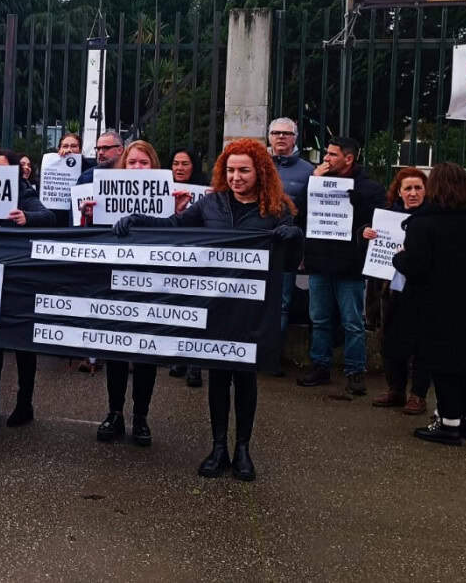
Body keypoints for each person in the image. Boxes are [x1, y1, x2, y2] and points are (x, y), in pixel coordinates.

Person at [115, 138, 302, 480]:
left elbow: (290, 263)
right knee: (218, 376)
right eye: (230, 171)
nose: (236, 177)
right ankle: (218, 448)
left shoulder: (277, 210)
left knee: (245, 379)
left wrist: (294, 237)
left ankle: (242, 449)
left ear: (260, 171)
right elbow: (175, 227)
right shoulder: (211, 204)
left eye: (244, 170)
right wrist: (138, 220)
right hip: (216, 304)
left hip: (253, 309)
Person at [393, 163, 466, 446]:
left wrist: (398, 257)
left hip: (434, 303)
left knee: (441, 362)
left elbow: (414, 265)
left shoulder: (425, 222)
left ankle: (448, 423)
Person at [79, 139, 160, 446]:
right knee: (115, 348)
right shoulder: (105, 193)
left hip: (151, 283)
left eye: (144, 163)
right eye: (132, 163)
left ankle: (141, 417)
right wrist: (88, 215)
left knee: (145, 352)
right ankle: (115, 413)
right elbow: (89, 239)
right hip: (114, 279)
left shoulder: (164, 198)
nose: (137, 168)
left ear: (153, 166)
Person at [0, 148, 55, 427]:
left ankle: (24, 404)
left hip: (19, 279)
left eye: (4, 169)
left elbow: (48, 217)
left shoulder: (24, 192)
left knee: (22, 345)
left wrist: (26, 218)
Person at [297, 136, 386, 395]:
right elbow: (301, 213)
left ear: (349, 158)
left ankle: (355, 371)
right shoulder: (316, 180)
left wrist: (359, 205)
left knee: (352, 322)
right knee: (320, 318)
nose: (326, 158)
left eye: (332, 154)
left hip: (349, 265)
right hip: (319, 262)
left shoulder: (369, 187)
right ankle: (320, 366)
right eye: (326, 153)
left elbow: (379, 221)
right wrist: (312, 183)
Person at [366, 167, 431, 415]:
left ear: (426, 191)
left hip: (421, 291)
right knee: (391, 341)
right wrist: (366, 233)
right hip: (391, 290)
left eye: (418, 188)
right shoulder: (388, 216)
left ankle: (418, 395)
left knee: (421, 345)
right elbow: (372, 243)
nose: (413, 193)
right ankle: (396, 390)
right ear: (399, 192)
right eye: (408, 188)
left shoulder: (431, 219)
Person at [269, 117, 313, 376]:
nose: (281, 137)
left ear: (295, 137)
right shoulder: (258, 165)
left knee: (282, 303)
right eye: (275, 133)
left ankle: (272, 356)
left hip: (288, 247)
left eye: (286, 133)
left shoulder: (308, 171)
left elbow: (311, 215)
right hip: (259, 243)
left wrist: (304, 249)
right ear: (269, 137)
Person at [166, 147, 206, 387]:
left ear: (194, 166)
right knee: (176, 309)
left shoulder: (206, 191)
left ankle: (195, 365)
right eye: (175, 163)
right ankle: (179, 357)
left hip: (198, 258)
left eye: (185, 163)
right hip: (172, 255)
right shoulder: (162, 188)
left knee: (195, 311)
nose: (179, 168)